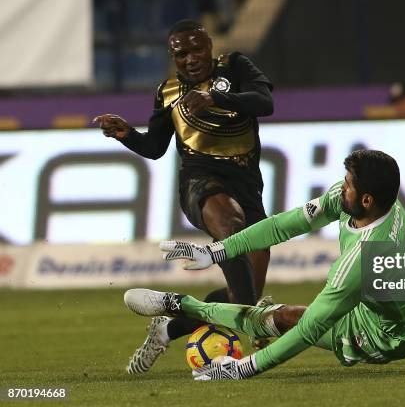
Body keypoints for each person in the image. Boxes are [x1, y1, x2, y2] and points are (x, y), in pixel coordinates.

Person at [124, 150, 405, 380]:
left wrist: (244, 368)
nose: (341, 188)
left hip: (385, 335)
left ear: (367, 200)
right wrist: (217, 252)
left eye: (348, 184)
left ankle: (180, 305)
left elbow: (309, 330)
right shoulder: (378, 202)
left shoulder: (361, 262)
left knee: (278, 318)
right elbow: (284, 226)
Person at [93, 19, 274, 374]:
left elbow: (264, 103)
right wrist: (127, 134)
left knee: (240, 295)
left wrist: (215, 96)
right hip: (200, 182)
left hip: (246, 183)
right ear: (173, 57)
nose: (190, 59)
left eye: (196, 49)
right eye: (181, 54)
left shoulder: (235, 67)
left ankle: (167, 328)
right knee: (231, 225)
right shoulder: (168, 91)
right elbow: (155, 147)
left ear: (209, 46)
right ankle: (254, 326)